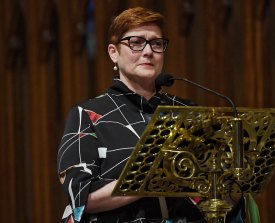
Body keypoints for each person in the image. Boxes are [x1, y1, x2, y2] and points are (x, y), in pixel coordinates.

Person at [57, 6, 244, 223]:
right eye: (136, 43)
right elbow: (82, 198)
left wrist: (233, 185)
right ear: (113, 53)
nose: (148, 51)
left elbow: (213, 193)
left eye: (156, 43)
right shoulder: (88, 115)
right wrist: (150, 178)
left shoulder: (187, 112)